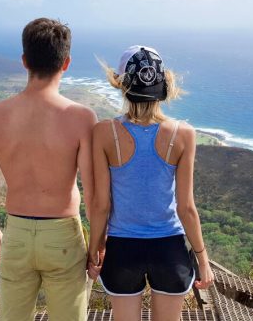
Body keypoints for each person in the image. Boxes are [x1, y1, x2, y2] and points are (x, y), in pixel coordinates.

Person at [0, 18, 97, 321]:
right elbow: (93, 194)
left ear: (24, 61)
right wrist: (97, 246)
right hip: (63, 237)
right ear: (66, 63)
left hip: (15, 233)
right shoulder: (81, 118)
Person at [87, 45, 213, 321]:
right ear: (164, 84)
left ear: (121, 85)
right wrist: (203, 260)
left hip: (122, 248)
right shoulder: (184, 134)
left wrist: (95, 250)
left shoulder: (105, 133)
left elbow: (101, 204)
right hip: (169, 247)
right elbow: (186, 208)